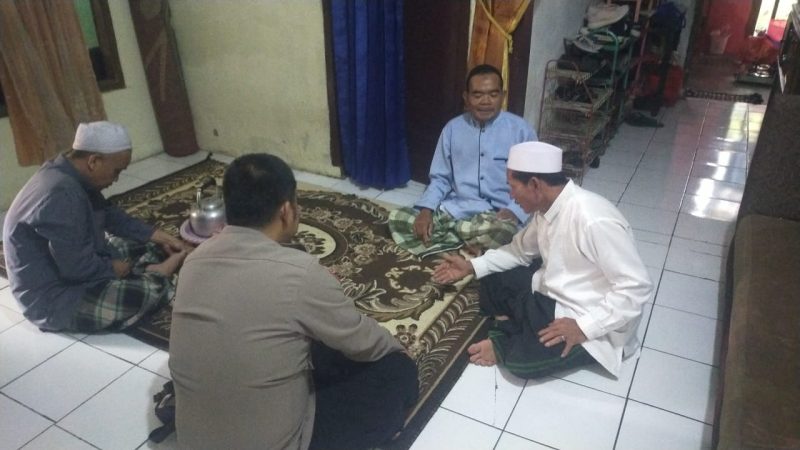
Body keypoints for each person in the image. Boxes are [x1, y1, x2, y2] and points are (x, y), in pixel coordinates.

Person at [169, 153, 418, 450]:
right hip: (281, 443)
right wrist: (398, 351)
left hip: (193, 441)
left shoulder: (194, 260)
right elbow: (365, 343)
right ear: (287, 210)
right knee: (397, 372)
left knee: (306, 340)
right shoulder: (301, 273)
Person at [432, 142, 652, 379]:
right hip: (553, 294)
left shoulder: (593, 220)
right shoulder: (547, 209)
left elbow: (636, 287)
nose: (510, 195)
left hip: (589, 314)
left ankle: (512, 338)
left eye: (513, 187)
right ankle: (519, 326)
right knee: (492, 276)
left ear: (535, 185)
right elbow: (518, 251)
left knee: (520, 363)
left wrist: (583, 327)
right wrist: (470, 266)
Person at [2, 121, 190, 332]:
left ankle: (146, 271)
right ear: (94, 161)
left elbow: (109, 215)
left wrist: (160, 236)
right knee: (143, 293)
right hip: (53, 299)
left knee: (145, 244)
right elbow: (77, 269)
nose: (116, 179)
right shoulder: (62, 194)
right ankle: (159, 275)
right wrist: (114, 268)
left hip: (70, 263)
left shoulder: (67, 171)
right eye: (116, 171)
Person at [388, 64, 537, 258]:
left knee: (504, 232)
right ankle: (471, 247)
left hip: (499, 215)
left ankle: (454, 243)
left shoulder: (521, 130)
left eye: (493, 95)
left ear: (503, 95)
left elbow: (534, 183)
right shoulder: (452, 129)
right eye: (477, 95)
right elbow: (440, 178)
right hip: (458, 209)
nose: (485, 101)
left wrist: (515, 212)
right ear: (466, 97)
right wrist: (426, 211)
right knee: (397, 218)